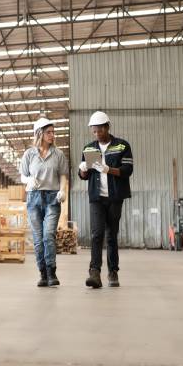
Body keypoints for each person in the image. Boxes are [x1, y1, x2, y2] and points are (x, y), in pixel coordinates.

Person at [77, 111, 133, 289]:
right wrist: (83, 170)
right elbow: (84, 176)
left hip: (115, 197)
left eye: (99, 131)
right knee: (96, 234)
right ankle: (94, 272)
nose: (96, 134)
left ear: (107, 127)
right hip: (96, 197)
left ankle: (113, 271)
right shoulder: (89, 149)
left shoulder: (122, 146)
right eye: (93, 132)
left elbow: (127, 170)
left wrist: (108, 169)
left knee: (111, 236)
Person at [18, 117, 69, 287]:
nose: (52, 135)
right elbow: (23, 175)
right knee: (38, 239)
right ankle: (42, 273)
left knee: (49, 235)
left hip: (52, 198)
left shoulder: (58, 154)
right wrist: (28, 181)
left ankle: (51, 270)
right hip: (33, 198)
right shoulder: (29, 154)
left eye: (53, 132)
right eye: (49, 132)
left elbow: (63, 175)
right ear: (39, 133)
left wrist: (62, 190)